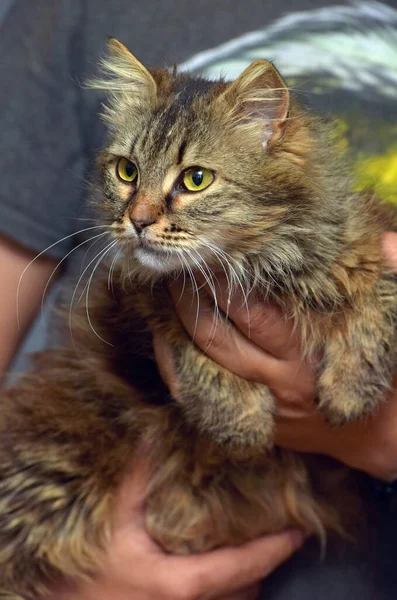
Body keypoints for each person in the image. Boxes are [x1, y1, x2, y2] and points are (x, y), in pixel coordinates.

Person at [1, 0, 397, 598]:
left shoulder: (352, 253)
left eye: (191, 180)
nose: (140, 213)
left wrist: (378, 438)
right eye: (129, 172)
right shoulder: (63, 13)